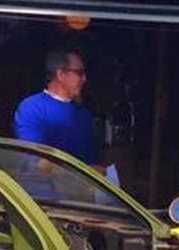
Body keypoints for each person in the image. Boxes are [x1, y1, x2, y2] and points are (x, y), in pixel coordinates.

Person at [13, 49, 119, 185]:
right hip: (46, 200)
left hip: (83, 199)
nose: (84, 79)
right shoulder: (32, 108)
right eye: (79, 73)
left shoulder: (83, 114)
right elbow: (37, 163)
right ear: (61, 74)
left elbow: (92, 160)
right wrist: (86, 174)